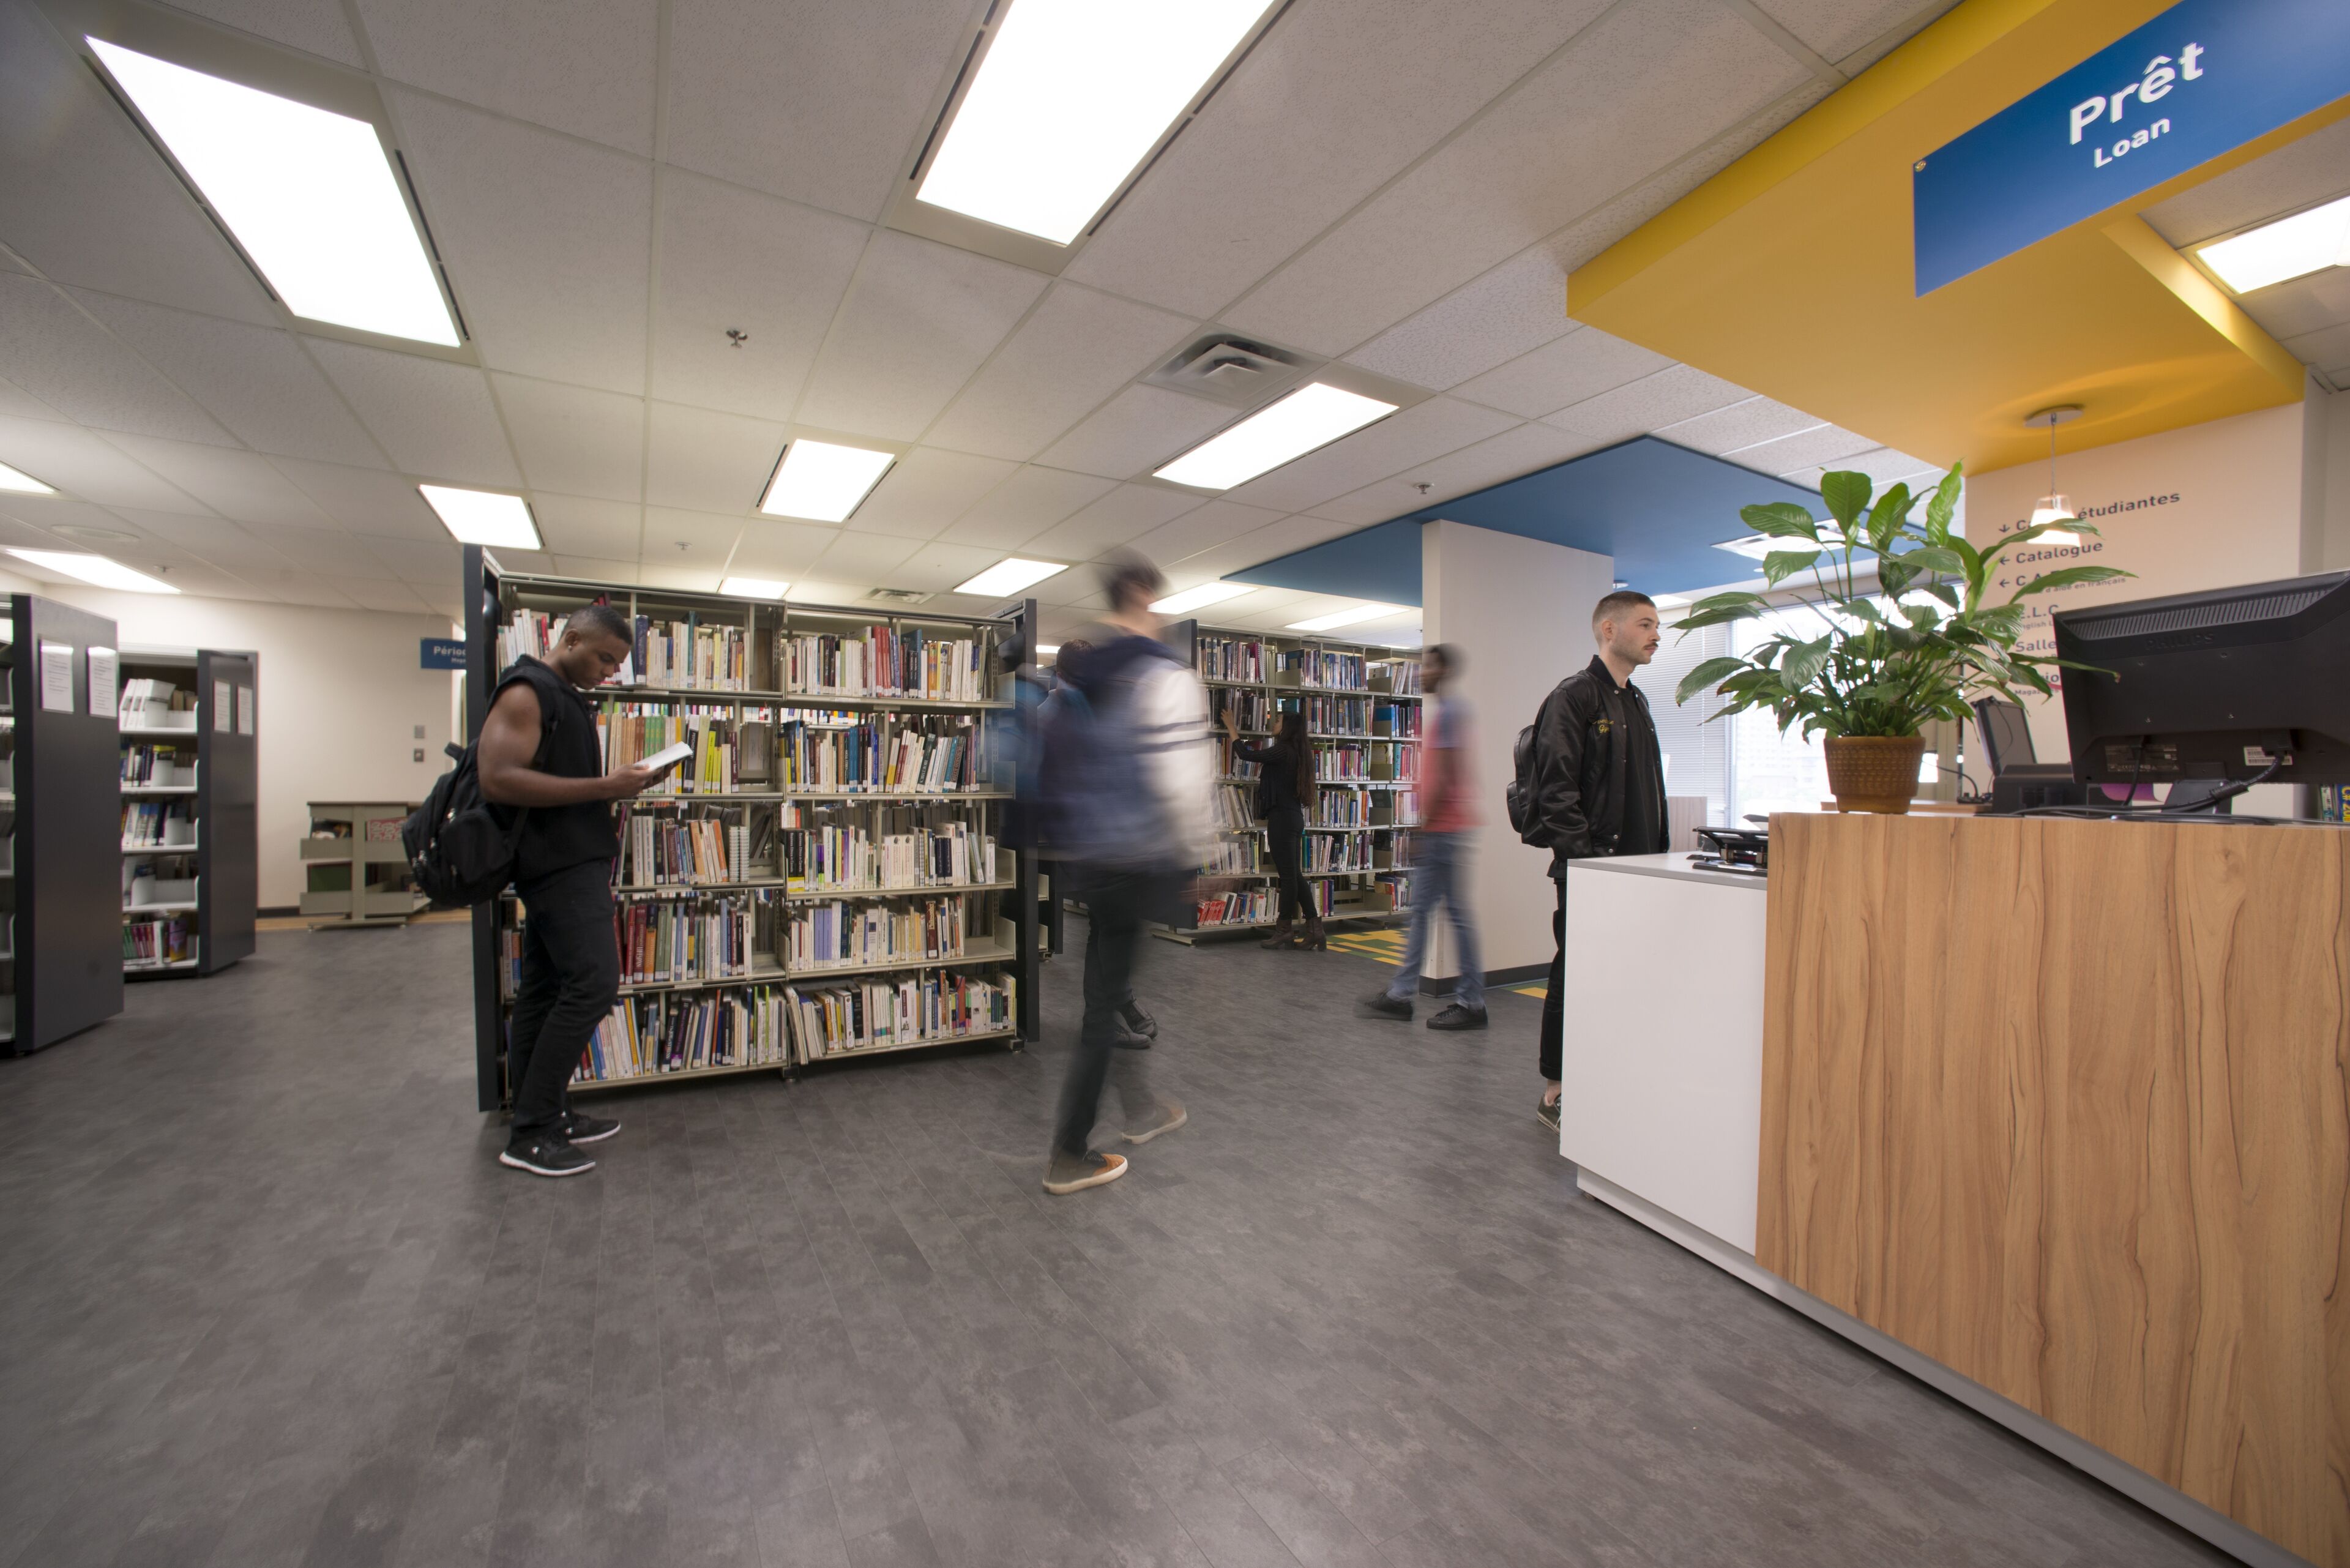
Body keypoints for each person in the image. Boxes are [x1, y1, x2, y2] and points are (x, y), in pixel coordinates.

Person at [1040, 555, 1212, 1194]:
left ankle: (1138, 1110)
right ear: (1141, 595)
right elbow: (1181, 775)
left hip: (1093, 856)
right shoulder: (1164, 675)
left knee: (1107, 992)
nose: (1162, 615)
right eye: (1157, 602)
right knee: (1104, 1006)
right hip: (1140, 856)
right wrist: (1201, 853)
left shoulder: (1083, 678)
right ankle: (1068, 1150)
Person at [477, 603, 663, 1177]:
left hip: (572, 860)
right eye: (604, 657)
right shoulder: (526, 691)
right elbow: (498, 777)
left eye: (618, 664)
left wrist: (616, 788)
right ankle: (533, 1130)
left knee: (545, 988)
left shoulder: (565, 697)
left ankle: (546, 1112)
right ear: (571, 637)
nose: (610, 671)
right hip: (555, 868)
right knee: (594, 982)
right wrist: (607, 785)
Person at [1523, 592, 1667, 1132]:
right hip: (1593, 870)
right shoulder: (1574, 697)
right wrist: (1587, 865)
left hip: (1638, 870)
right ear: (1610, 629)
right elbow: (1556, 791)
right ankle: (1556, 1091)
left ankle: (1610, 1077)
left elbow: (1648, 790)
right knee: (1576, 972)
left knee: (1624, 979)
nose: (1656, 634)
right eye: (1645, 624)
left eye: (1658, 625)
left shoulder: (1638, 702)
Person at [1359, 644, 1484, 1028]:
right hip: (1447, 828)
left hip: (1444, 829)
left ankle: (1467, 1002)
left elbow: (1445, 774)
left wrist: (1423, 826)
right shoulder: (1451, 712)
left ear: (1443, 670)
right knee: (1431, 914)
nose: (1421, 674)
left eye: (1428, 667)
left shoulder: (1448, 714)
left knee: (1445, 916)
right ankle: (1405, 993)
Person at [1044, 639, 1157, 1047]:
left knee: (1107, 930)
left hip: (1093, 842)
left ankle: (1115, 1009)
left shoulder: (1071, 711)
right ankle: (1108, 1016)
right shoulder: (1064, 716)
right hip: (1088, 844)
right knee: (1109, 931)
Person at [1220, 706, 1322, 950]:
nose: (1273, 723)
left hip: (1283, 820)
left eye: (1278, 720)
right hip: (1293, 818)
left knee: (1288, 878)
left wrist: (1232, 728)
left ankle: (1284, 930)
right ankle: (1315, 928)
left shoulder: (1283, 751)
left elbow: (1246, 755)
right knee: (1295, 875)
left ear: (1287, 727)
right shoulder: (1296, 752)